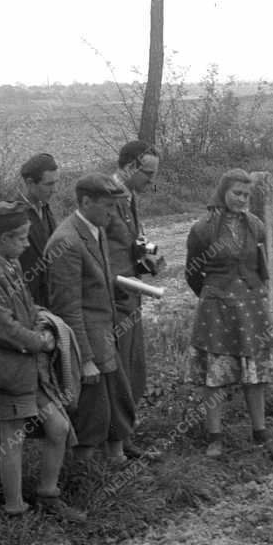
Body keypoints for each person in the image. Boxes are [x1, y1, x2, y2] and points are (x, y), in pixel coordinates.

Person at [0, 201, 85, 522]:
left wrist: (44, 321)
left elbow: (27, 306)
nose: (25, 244)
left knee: (59, 427)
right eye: (21, 238)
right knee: (13, 441)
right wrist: (40, 342)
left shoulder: (10, 264)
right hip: (6, 371)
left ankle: (48, 495)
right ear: (4, 238)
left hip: (29, 370)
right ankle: (15, 510)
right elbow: (1, 327)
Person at [185, 168, 273, 462]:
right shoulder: (202, 229)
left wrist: (254, 295)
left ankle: (261, 433)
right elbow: (192, 272)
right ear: (222, 192)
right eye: (236, 194)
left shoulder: (255, 226)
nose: (241, 199)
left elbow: (262, 268)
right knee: (215, 375)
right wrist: (213, 294)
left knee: (255, 373)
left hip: (250, 308)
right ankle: (215, 437)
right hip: (216, 308)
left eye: (246, 195)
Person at [45, 172, 135, 466]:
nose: (113, 212)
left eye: (115, 206)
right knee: (90, 412)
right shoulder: (67, 242)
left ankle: (116, 460)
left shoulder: (97, 229)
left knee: (114, 400)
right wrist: (83, 358)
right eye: (108, 206)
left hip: (105, 337)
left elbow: (99, 283)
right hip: (87, 343)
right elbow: (67, 308)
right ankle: (83, 475)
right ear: (85, 202)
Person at [106, 140, 161, 415]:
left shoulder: (128, 196)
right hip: (114, 297)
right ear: (129, 167)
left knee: (132, 363)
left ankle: (125, 433)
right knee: (118, 366)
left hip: (130, 292)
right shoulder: (108, 199)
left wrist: (144, 260)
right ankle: (115, 441)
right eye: (148, 174)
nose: (152, 181)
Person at [19, 152, 59, 307]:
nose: (54, 189)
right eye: (49, 184)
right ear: (30, 183)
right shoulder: (15, 216)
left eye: (56, 183)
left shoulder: (46, 209)